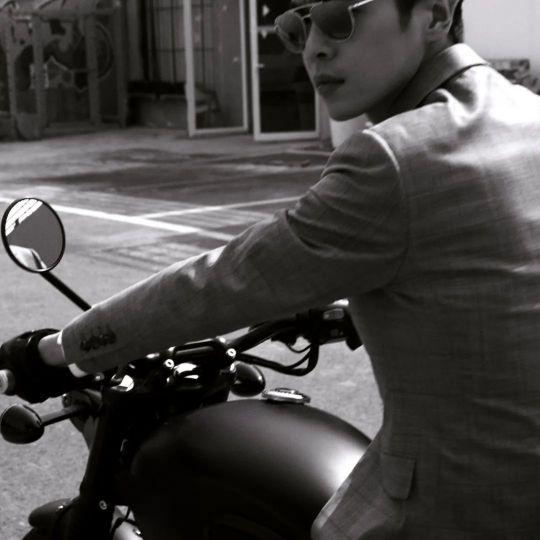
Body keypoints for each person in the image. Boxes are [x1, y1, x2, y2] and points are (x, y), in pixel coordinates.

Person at [1, 0, 539, 537]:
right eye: (298, 26)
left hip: (456, 512)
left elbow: (219, 283)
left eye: (340, 17)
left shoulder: (395, 158)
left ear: (435, 14)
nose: (314, 48)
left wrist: (55, 352)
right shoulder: (525, 114)